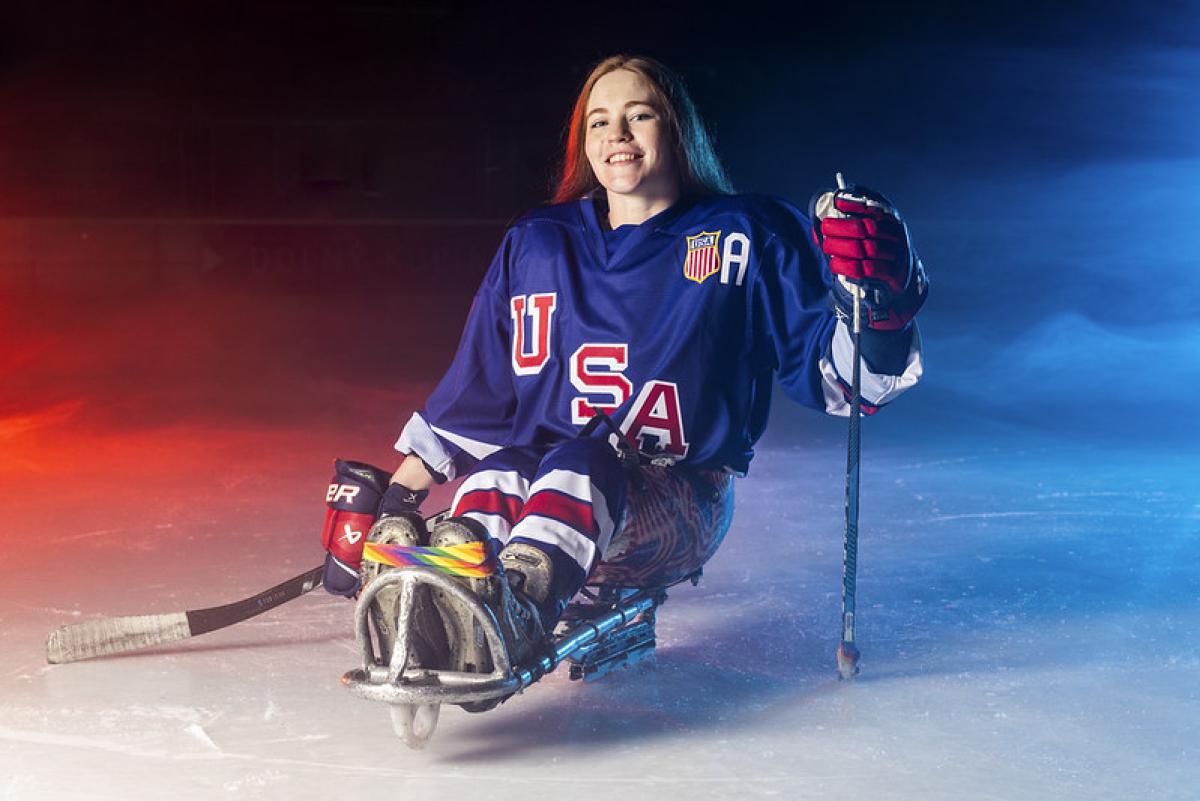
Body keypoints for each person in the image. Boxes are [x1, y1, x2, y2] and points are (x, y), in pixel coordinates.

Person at [318, 55, 926, 696]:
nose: (619, 136)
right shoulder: (537, 240)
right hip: (544, 482)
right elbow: (482, 395)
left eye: (640, 116)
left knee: (576, 462)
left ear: (678, 130)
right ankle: (446, 595)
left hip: (678, 498)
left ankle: (512, 610)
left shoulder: (748, 233)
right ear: (583, 144)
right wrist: (396, 500)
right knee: (505, 467)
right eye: (600, 122)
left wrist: (882, 306)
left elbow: (844, 382)